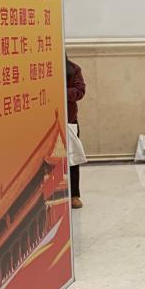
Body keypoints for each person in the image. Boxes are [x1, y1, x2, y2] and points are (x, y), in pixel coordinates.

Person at [65, 56, 86, 209]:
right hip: (46, 121)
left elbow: (80, 91)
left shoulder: (73, 69)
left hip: (69, 120)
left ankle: (74, 195)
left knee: (72, 158)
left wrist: (61, 92)